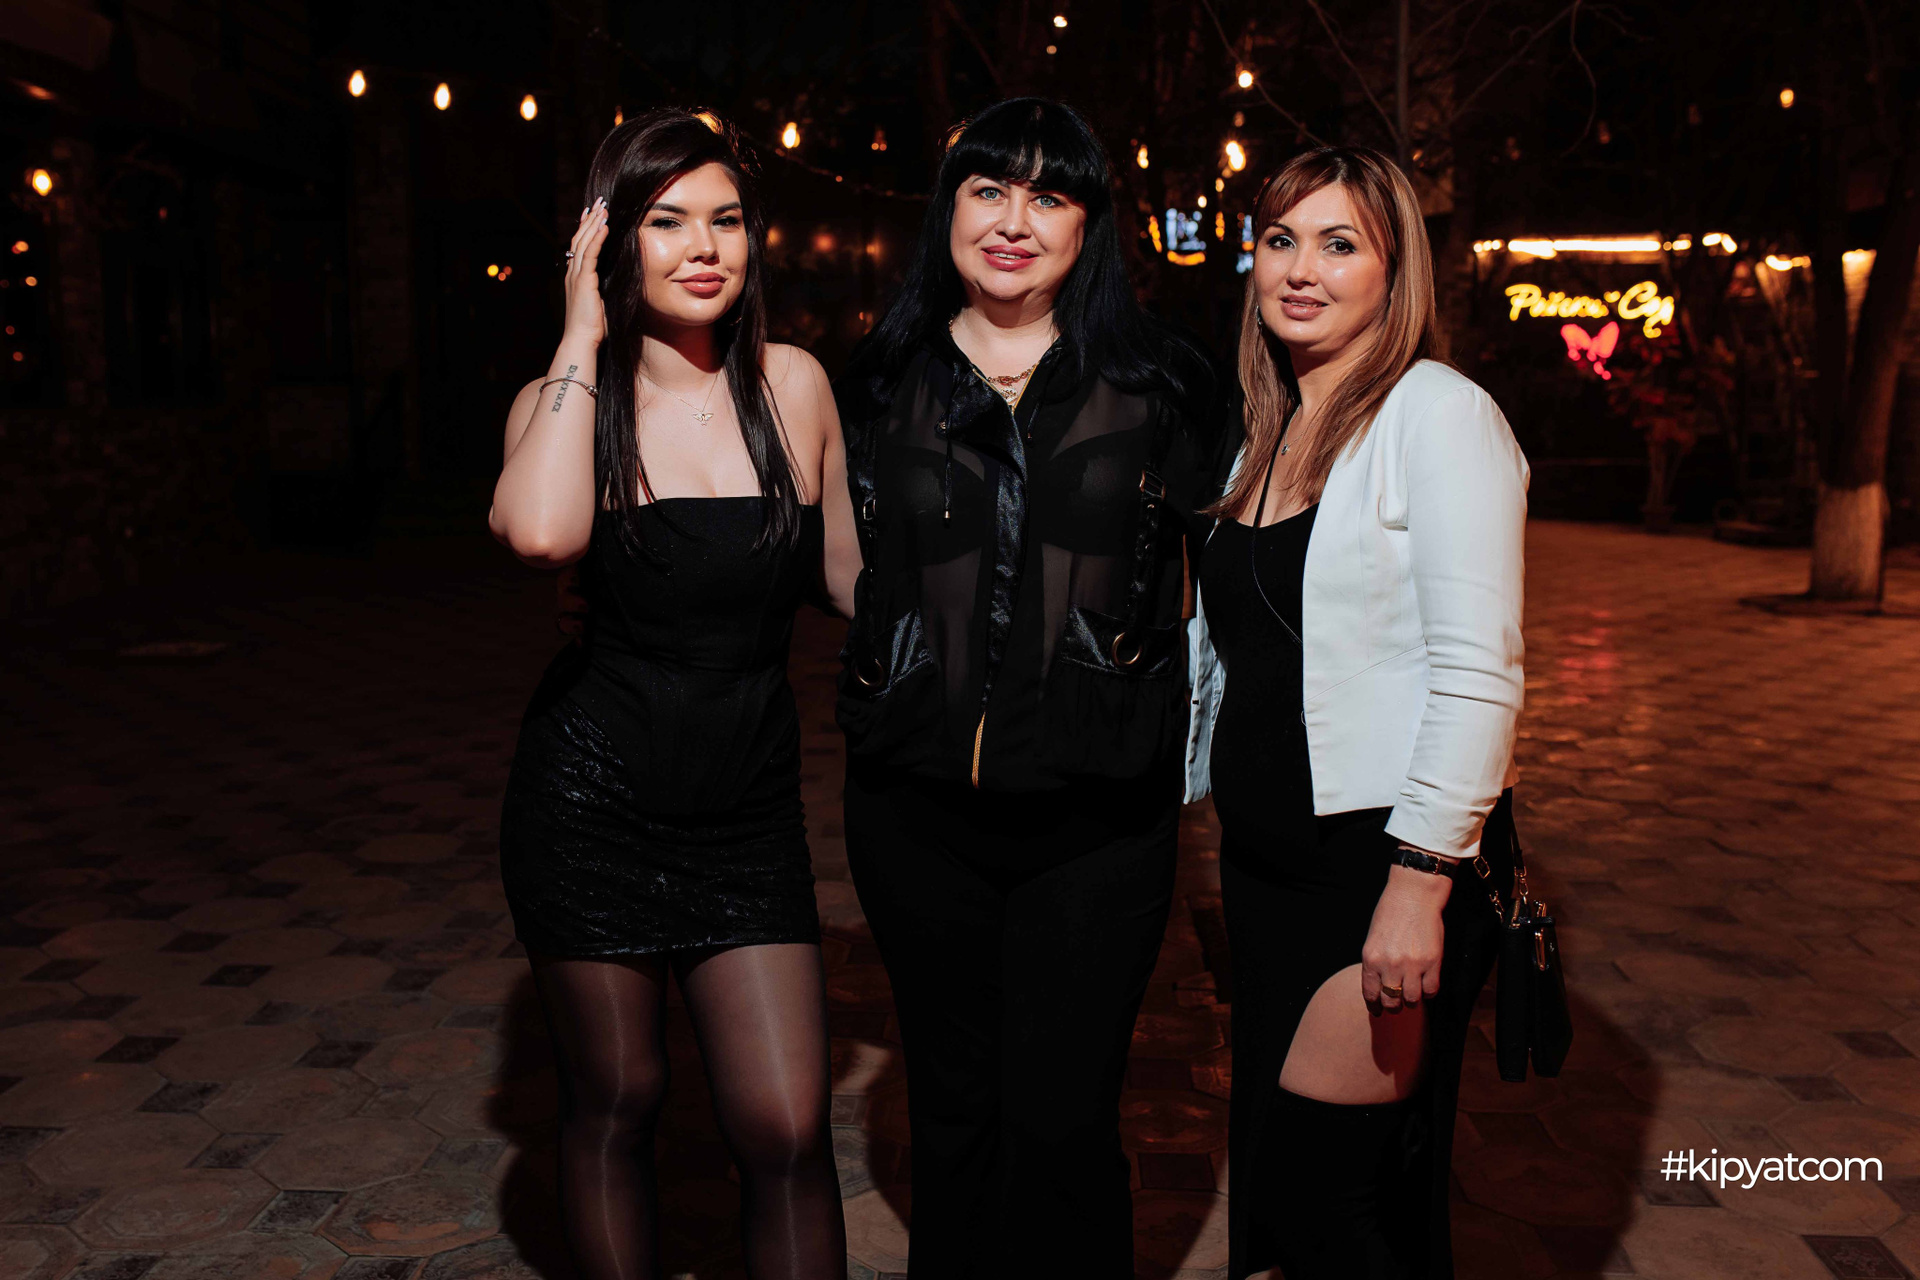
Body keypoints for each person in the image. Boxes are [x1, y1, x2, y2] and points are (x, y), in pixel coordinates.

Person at [825, 97, 1221, 1277]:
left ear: (1090, 223)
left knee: (1064, 1122)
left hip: (1099, 819)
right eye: (989, 188)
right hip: (913, 811)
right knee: (952, 1116)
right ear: (947, 207)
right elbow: (822, 557)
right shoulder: (878, 378)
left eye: (1049, 195)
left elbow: (1244, 575)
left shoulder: (1162, 382)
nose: (1014, 221)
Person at [489, 108, 857, 1280]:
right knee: (618, 1098)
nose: (704, 247)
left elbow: (853, 580)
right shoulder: (564, 399)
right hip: (592, 804)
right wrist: (578, 329)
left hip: (747, 809)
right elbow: (542, 534)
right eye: (666, 221)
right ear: (611, 245)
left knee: (786, 1122)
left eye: (727, 220)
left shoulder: (793, 385)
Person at [1184, 145, 1529, 1280]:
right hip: (1266, 871)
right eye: (1281, 240)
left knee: (1325, 1200)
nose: (1302, 270)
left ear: (1395, 270)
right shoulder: (1268, 425)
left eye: (1340, 245)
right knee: (1290, 1196)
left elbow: (1480, 669)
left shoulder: (1440, 415)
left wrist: (1419, 883)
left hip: (1374, 869)